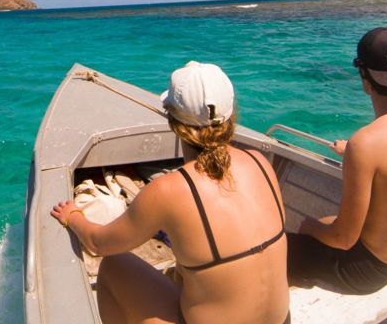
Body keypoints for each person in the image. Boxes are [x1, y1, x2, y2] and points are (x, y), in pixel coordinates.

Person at [51, 61, 289, 324]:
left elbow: (98, 243)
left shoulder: (169, 190)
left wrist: (73, 216)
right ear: (230, 115)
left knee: (114, 264)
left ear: (174, 122)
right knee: (191, 266)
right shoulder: (261, 163)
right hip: (281, 320)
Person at [287, 27, 387, 294]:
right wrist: (353, 155)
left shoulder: (365, 144)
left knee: (277, 250)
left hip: (364, 271)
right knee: (326, 222)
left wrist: (309, 226)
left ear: (365, 78)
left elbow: (343, 239)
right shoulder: (369, 146)